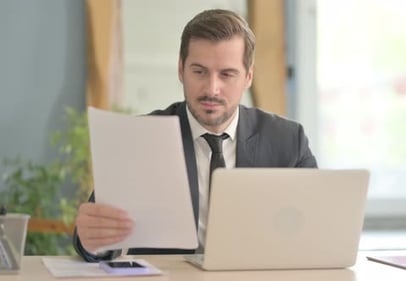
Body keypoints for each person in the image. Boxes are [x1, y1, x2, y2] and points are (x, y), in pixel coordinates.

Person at [73, 8, 317, 262]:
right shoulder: (140, 139)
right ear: (181, 70)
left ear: (248, 77)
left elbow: (316, 230)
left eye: (227, 74)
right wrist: (94, 240)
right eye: (199, 72)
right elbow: (94, 239)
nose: (212, 88)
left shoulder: (288, 141)